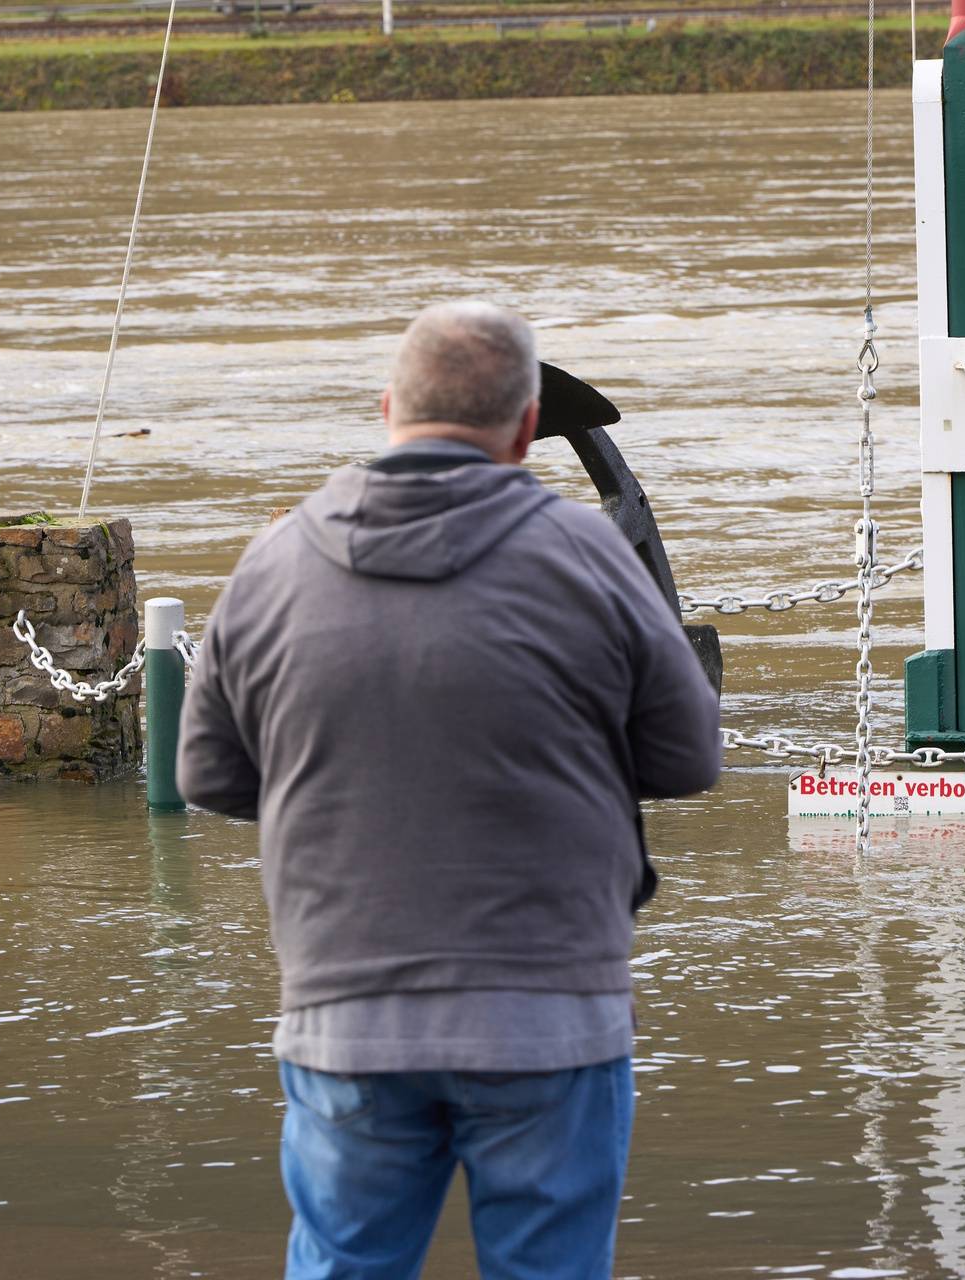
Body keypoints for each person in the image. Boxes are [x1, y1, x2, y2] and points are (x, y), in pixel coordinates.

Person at [177, 301, 722, 1280]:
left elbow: (208, 775)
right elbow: (687, 757)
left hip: (345, 1010)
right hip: (551, 1015)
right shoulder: (590, 554)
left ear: (387, 407)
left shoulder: (273, 562)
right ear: (526, 427)